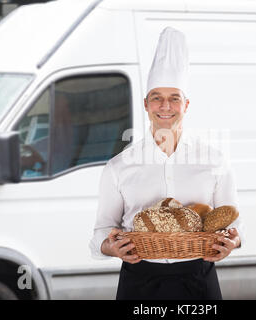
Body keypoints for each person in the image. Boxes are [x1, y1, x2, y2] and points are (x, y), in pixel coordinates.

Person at [89, 27, 245, 300]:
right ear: (146, 104)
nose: (165, 106)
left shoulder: (214, 162)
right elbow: (102, 230)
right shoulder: (119, 167)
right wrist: (110, 247)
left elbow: (236, 225)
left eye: (174, 98)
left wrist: (233, 242)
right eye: (157, 98)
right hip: (139, 282)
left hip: (199, 280)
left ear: (186, 104)